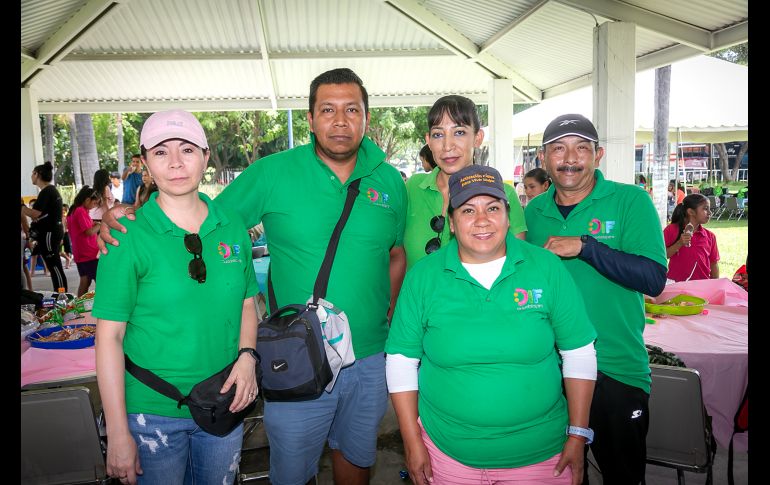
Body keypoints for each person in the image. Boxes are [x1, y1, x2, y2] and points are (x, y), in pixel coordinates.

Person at [98, 68, 407, 485]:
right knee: (293, 470)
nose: (340, 120)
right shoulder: (272, 172)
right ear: (311, 118)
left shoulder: (389, 180)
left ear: (367, 117)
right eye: (327, 110)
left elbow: (395, 254)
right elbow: (204, 219)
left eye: (352, 109)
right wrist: (126, 216)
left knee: (355, 454)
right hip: (299, 356)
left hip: (369, 356)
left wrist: (384, 317)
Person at [386, 164, 597, 485]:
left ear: (508, 216)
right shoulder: (423, 277)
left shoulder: (546, 268)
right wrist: (412, 441)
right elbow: (401, 362)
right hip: (447, 454)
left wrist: (578, 435)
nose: (482, 220)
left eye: (493, 208)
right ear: (452, 223)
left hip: (541, 455)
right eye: (468, 210)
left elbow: (579, 353)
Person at [92, 109, 259, 485]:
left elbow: (248, 303)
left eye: (186, 149)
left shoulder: (231, 224)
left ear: (204, 154)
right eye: (161, 152)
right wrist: (118, 431)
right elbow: (109, 337)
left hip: (223, 402)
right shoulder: (126, 235)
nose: (176, 163)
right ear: (146, 162)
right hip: (151, 414)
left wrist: (247, 357)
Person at [524, 113, 667, 485]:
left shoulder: (630, 201)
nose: (570, 158)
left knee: (622, 476)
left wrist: (587, 247)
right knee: (563, 476)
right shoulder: (533, 212)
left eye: (581, 148)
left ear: (598, 155)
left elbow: (653, 279)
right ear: (544, 159)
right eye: (559, 148)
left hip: (617, 368)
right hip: (552, 371)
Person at [403, 95, 527, 270]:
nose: (447, 146)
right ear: (428, 141)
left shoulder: (502, 194)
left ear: (478, 137)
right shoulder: (412, 188)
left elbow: (517, 266)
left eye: (459, 132)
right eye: (438, 134)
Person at [22, 162, 68, 292]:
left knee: (54, 266)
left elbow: (35, 213)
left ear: (38, 174)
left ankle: (62, 296)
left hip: (49, 233)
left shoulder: (47, 191)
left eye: (32, 173)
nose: (31, 176)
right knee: (54, 266)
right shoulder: (49, 191)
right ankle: (60, 294)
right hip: (51, 232)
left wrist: (22, 208)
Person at [664, 193, 720, 282]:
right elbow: (662, 255)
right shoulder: (671, 230)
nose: (710, 212)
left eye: (709, 209)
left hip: (702, 286)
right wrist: (679, 243)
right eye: (705, 209)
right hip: (676, 285)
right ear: (691, 212)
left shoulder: (710, 236)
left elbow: (714, 264)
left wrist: (715, 285)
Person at [66, 187, 101, 296]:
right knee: (101, 280)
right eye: (94, 202)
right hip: (88, 253)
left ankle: (78, 306)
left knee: (85, 281)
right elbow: (89, 232)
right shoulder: (80, 211)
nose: (94, 205)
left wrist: (93, 224)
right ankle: (105, 305)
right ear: (87, 200)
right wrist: (100, 225)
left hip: (80, 252)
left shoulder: (73, 210)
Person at [60, 204, 73, 269]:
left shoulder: (68, 217)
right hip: (60, 235)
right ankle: (68, 258)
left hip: (66, 234)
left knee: (68, 250)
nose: (63, 211)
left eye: (64, 210)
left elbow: (69, 227)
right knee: (58, 250)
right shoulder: (58, 218)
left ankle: (67, 264)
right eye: (62, 209)